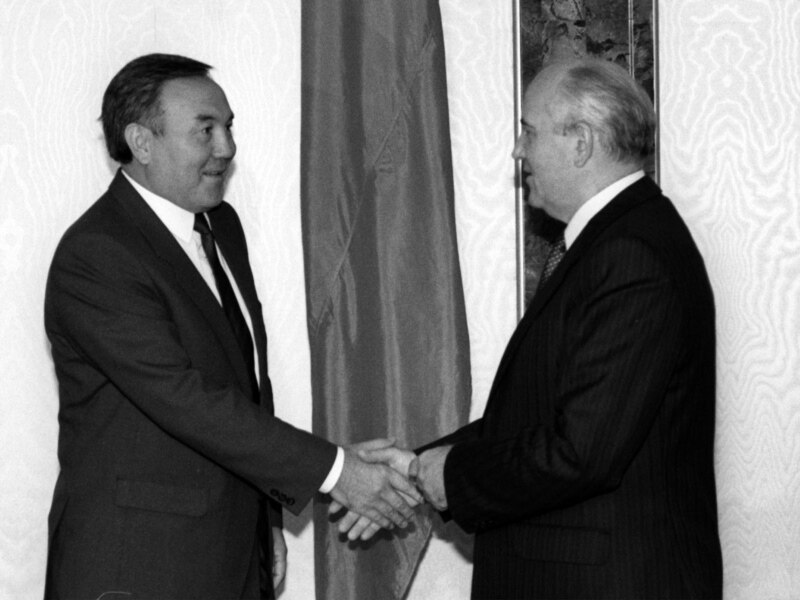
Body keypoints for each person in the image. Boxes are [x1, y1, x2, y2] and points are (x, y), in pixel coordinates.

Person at [340, 57, 724, 599]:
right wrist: (416, 466)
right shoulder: (618, 240)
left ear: (581, 142)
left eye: (529, 131)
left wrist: (449, 477)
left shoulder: (631, 255)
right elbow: (540, 415)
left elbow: (582, 452)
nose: (518, 151)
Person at [43, 53, 421, 599]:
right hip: (139, 567)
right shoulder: (98, 254)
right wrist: (337, 472)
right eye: (206, 130)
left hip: (232, 554)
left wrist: (266, 522)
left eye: (228, 127)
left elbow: (246, 386)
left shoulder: (220, 226)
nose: (226, 148)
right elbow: (187, 400)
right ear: (141, 142)